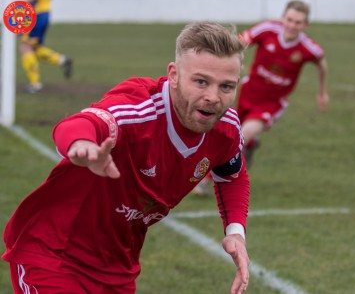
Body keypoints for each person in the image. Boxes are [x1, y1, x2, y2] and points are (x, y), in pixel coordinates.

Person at [2, 22, 251, 293]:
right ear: (174, 74)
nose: (213, 97)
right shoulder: (139, 107)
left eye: (226, 86)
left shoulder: (226, 126)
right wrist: (82, 143)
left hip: (117, 266)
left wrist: (235, 231)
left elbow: (232, 175)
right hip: (53, 252)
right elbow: (81, 123)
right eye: (201, 81)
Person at [237, 0, 329, 164]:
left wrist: (322, 92)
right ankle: (251, 145)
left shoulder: (308, 47)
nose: (292, 25)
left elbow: (322, 65)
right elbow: (242, 40)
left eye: (298, 22)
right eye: (289, 20)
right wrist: (236, 59)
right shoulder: (268, 29)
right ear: (283, 18)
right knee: (233, 131)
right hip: (248, 91)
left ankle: (206, 178)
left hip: (271, 104)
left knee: (242, 136)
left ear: (306, 25)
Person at [20, 0, 72, 93]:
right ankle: (62, 60)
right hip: (42, 14)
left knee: (25, 46)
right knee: (34, 47)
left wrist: (21, 7)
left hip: (37, 14)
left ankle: (35, 84)